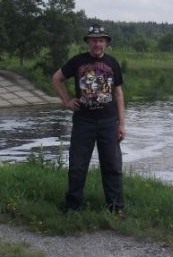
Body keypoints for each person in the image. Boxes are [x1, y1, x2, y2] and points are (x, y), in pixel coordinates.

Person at [52, 25, 126, 215]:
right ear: (88, 42)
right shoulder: (77, 61)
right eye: (93, 40)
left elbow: (118, 94)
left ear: (106, 43)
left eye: (101, 40)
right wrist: (67, 101)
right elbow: (57, 78)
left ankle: (116, 208)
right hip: (83, 122)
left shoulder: (112, 62)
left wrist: (122, 124)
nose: (97, 44)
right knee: (77, 165)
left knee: (112, 166)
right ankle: (73, 207)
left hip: (108, 122)